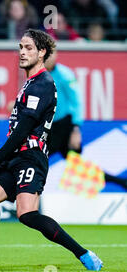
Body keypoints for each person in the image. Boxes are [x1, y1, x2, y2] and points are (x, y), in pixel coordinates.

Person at [0, 29, 103, 271]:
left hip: (30, 158)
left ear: (42, 52)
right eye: (21, 47)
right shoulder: (30, 83)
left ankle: (84, 254)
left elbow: (23, 131)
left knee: (27, 214)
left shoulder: (43, 84)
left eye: (29, 48)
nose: (22, 52)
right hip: (14, 156)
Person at [45, 49, 127, 189]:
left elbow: (77, 101)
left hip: (63, 127)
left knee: (73, 167)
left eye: (52, 54)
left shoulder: (65, 75)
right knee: (74, 167)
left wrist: (75, 129)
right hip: (48, 127)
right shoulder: (36, 76)